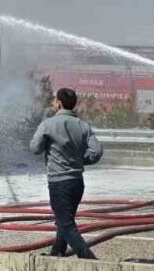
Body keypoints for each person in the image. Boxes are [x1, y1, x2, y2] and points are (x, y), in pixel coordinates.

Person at [29, 88, 103, 259]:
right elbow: (97, 151)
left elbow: (34, 149)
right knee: (64, 219)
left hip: (58, 182)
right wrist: (80, 160)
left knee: (66, 223)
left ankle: (90, 260)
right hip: (77, 182)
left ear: (59, 103)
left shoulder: (48, 124)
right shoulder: (83, 126)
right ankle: (57, 252)